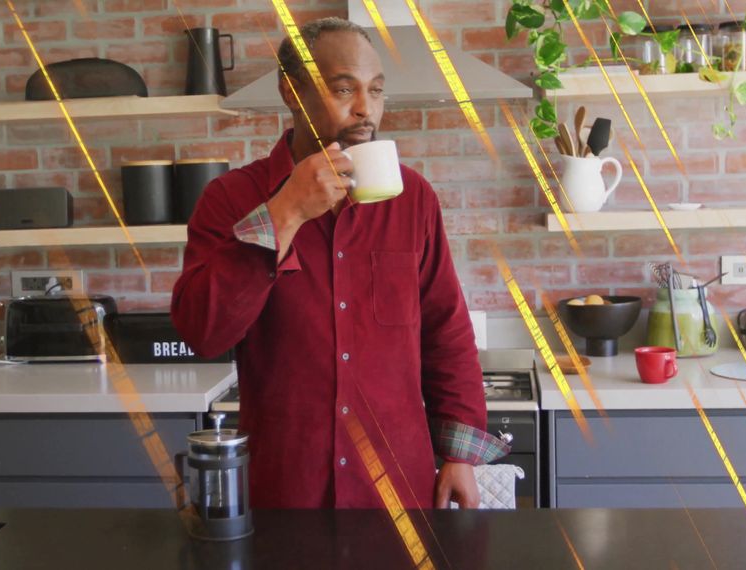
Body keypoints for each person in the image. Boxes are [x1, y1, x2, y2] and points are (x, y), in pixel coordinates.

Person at [171, 17, 508, 510]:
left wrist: (459, 457)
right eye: (343, 89)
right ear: (292, 91)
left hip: (399, 491)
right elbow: (202, 331)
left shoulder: (413, 199)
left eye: (376, 91)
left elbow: (445, 330)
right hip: (285, 492)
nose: (364, 109)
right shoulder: (230, 200)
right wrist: (284, 214)